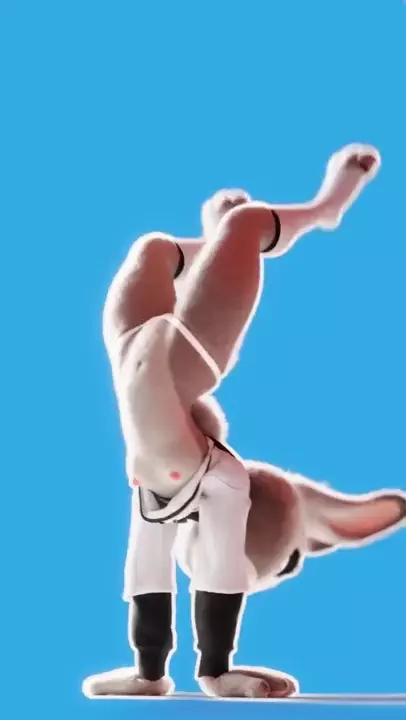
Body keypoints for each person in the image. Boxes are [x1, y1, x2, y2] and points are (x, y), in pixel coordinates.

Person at [83, 144, 394, 699]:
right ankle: (319, 212)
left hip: (145, 357)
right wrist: (217, 672)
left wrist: (167, 673)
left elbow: (159, 574)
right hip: (173, 361)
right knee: (223, 230)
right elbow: (215, 570)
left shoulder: (174, 499)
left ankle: (250, 234)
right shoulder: (217, 485)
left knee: (158, 247)